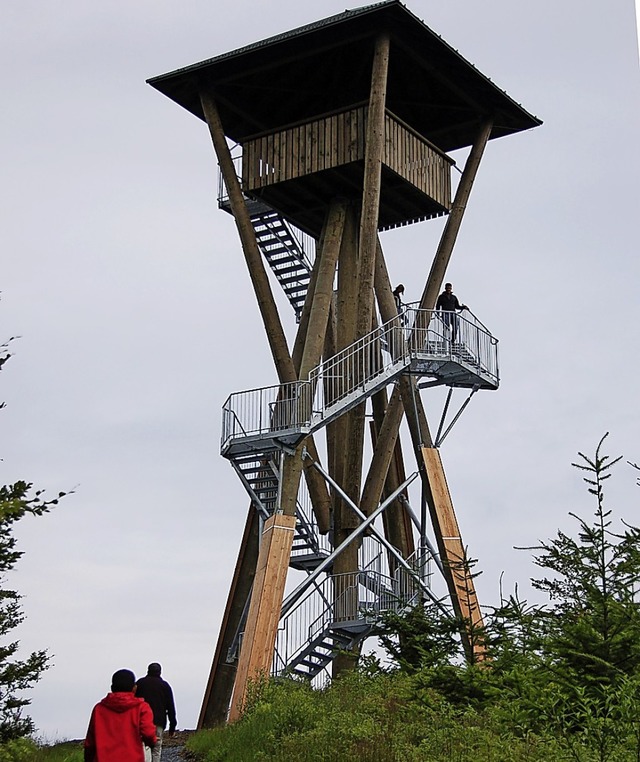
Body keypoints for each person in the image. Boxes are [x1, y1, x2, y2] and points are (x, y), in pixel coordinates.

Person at [84, 668, 156, 762]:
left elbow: (90, 742)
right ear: (134, 688)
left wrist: (88, 758)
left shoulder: (99, 709)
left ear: (112, 688)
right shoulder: (141, 708)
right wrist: (152, 742)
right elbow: (148, 733)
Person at [134, 663, 177, 762]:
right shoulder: (165, 686)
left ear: (148, 670)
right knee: (156, 748)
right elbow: (171, 707)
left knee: (144, 746)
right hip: (159, 721)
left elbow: (133, 702)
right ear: (160, 672)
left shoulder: (140, 684)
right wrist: (172, 726)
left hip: (142, 721)